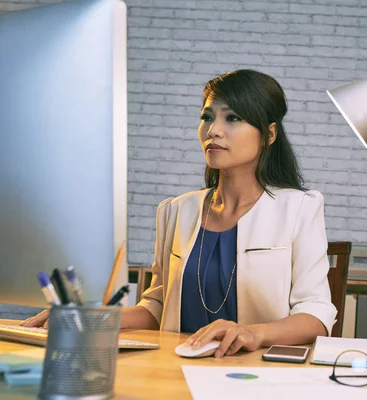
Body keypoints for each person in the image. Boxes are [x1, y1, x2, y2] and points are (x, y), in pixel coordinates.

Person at [22, 69, 337, 358]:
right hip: (174, 367)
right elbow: (157, 305)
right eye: (207, 117)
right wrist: (93, 318)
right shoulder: (176, 210)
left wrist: (252, 333)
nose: (213, 130)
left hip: (256, 376)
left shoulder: (299, 208)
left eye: (233, 118)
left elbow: (316, 315)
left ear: (269, 134)